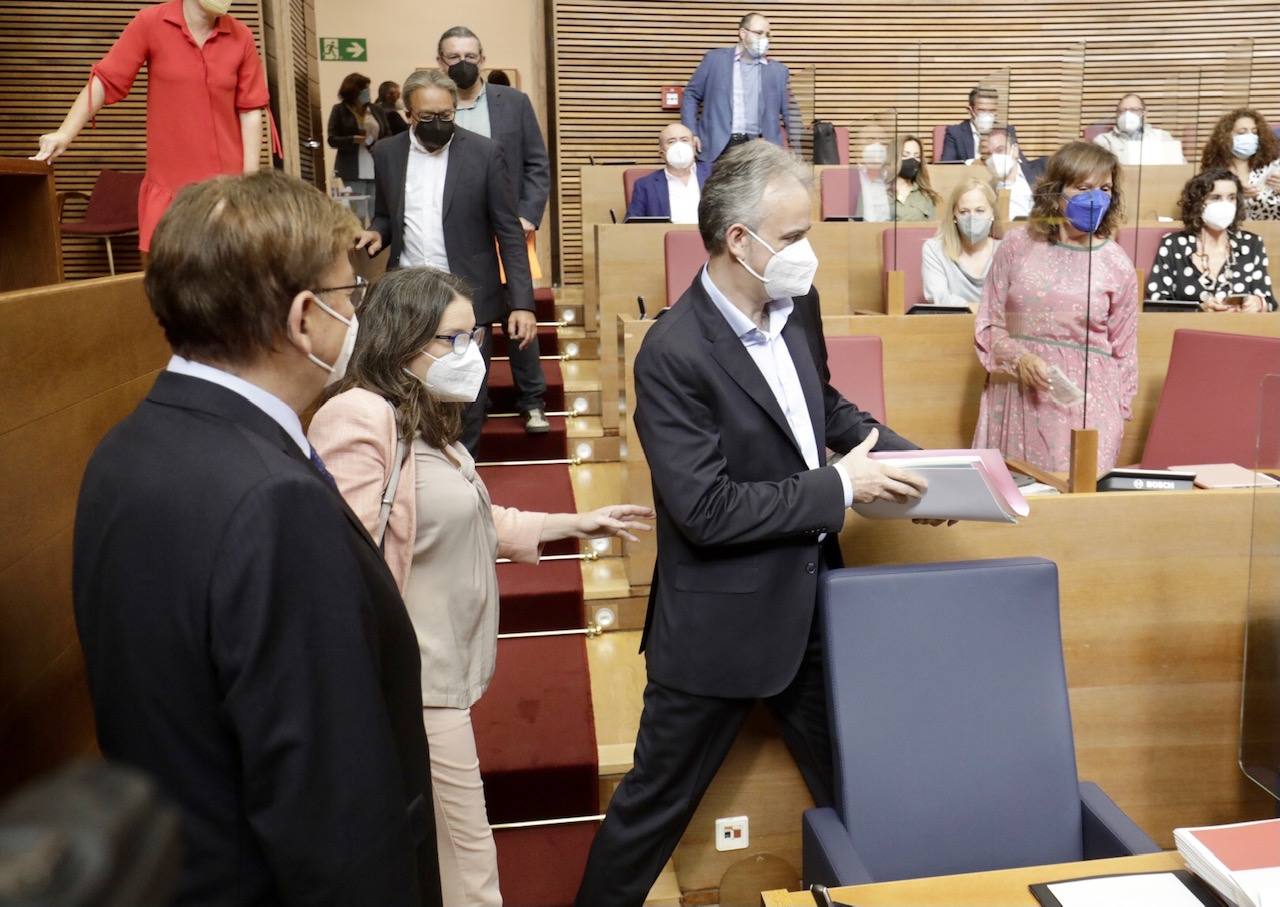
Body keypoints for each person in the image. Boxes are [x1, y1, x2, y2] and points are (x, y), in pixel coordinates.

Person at [574, 140, 942, 907]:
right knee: (652, 808)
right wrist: (839, 485)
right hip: (719, 625)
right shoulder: (672, 353)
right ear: (740, 240)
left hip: (813, 606)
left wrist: (931, 470)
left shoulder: (796, 303)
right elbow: (705, 511)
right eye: (796, 235)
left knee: (858, 791)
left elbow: (825, 408)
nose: (809, 251)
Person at [71, 171, 442, 906]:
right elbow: (330, 810)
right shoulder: (274, 501)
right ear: (304, 319)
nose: (356, 315)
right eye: (350, 296)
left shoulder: (124, 449)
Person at [310, 266, 652, 907]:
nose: (470, 355)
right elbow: (341, 565)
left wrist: (574, 521)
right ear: (402, 337)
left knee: (450, 854)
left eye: (475, 337)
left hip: (443, 674)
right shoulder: (359, 417)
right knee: (469, 865)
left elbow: (472, 517)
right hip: (410, 684)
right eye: (453, 339)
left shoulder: (426, 423)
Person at [356, 68, 537, 453]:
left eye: (446, 116)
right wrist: (376, 232)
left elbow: (508, 231)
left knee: (466, 400)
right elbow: (389, 215)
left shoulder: (485, 153)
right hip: (406, 298)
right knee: (405, 396)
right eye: (427, 118)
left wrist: (521, 303)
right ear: (408, 114)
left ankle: (461, 475)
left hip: (467, 300)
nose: (438, 124)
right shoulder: (387, 153)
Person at [31, 0, 281, 252]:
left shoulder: (242, 37)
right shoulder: (151, 23)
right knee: (169, 276)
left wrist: (249, 183)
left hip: (227, 187)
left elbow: (250, 109)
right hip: (170, 185)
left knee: (230, 274)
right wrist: (65, 132)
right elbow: (106, 80)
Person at [973, 141, 1138, 474]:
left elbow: (1126, 354)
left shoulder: (1117, 264)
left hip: (1087, 404)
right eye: (1084, 187)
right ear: (1057, 191)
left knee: (1072, 512)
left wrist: (1116, 415)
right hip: (1016, 396)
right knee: (1010, 507)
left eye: (1105, 189)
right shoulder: (1017, 245)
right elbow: (990, 323)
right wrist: (1019, 358)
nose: (1096, 198)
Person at [437, 26, 552, 434]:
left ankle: (532, 399)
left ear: (483, 58)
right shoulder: (437, 106)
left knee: (519, 311)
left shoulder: (514, 103)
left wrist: (527, 215)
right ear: (441, 63)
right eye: (453, 57)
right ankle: (473, 403)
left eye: (470, 55)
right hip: (462, 232)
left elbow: (538, 165)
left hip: (512, 228)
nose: (462, 63)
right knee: (470, 318)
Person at [1146, 168, 1276, 312]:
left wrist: (1258, 303)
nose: (1225, 204)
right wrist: (1199, 309)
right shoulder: (1173, 244)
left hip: (1239, 330)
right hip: (1189, 331)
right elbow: (1155, 304)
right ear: (1198, 203)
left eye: (1231, 198)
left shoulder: (1251, 244)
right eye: (1216, 198)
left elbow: (1270, 302)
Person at [680, 11, 801, 162]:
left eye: (767, 35)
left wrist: (797, 150)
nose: (764, 39)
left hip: (761, 148)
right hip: (718, 146)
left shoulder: (778, 71)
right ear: (743, 33)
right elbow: (691, 95)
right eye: (759, 33)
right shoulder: (714, 60)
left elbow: (792, 113)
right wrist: (691, 133)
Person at [922, 178, 1001, 310]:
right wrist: (984, 310)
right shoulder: (934, 249)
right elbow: (938, 297)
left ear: (992, 213)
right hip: (952, 326)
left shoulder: (1007, 250)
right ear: (954, 216)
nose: (972, 217)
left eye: (980, 211)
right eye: (964, 212)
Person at [1201, 108, 1280, 221]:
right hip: (1232, 233)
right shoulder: (1214, 171)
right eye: (1242, 132)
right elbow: (1202, 210)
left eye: (1254, 132)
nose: (1250, 137)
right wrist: (1234, 196)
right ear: (1226, 137)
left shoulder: (1274, 166)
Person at [625, 123, 713, 223]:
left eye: (684, 140)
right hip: (663, 237)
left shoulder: (715, 174)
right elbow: (632, 226)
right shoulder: (645, 186)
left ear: (694, 146)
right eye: (671, 142)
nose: (679, 146)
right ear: (662, 153)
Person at [328, 72, 384, 197]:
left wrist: (376, 143)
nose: (368, 92)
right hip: (351, 167)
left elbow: (387, 133)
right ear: (354, 91)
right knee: (358, 210)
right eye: (365, 89)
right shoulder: (339, 110)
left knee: (375, 208)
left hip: (375, 163)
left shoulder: (376, 110)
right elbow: (332, 139)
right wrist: (352, 139)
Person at [1092, 93, 1185, 165]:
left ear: (1144, 114)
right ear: (1117, 115)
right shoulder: (1104, 141)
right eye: (1123, 111)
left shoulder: (1162, 137)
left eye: (1134, 110)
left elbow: (1179, 168)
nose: (1128, 115)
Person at [941, 86, 1017, 162]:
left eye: (992, 111)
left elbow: (1023, 166)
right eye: (982, 110)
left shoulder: (1006, 130)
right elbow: (946, 166)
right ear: (970, 110)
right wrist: (974, 164)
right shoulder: (955, 133)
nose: (987, 115)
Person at [984, 127, 1046, 220]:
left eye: (1000, 150)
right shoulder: (986, 189)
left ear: (1015, 150)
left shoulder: (1042, 168)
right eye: (989, 154)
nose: (994, 157)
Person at [890, 135, 940, 221]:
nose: (912, 160)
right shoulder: (875, 191)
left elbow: (933, 230)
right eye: (905, 155)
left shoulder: (926, 195)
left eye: (916, 156)